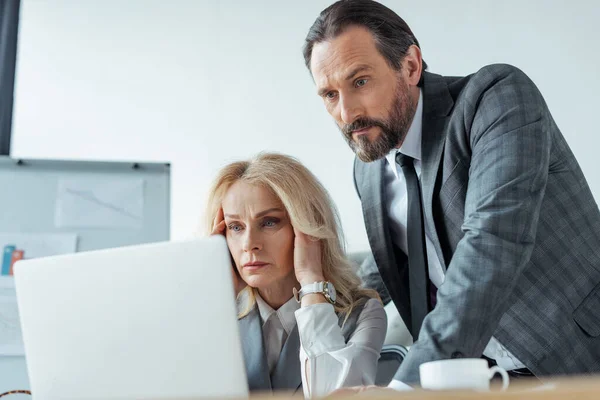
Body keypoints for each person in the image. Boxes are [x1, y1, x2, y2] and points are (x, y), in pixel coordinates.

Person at [302, 0, 600, 389]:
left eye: (360, 82)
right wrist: (305, 287)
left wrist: (405, 389)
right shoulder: (369, 169)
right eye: (329, 95)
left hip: (575, 357)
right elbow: (380, 280)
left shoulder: (495, 99)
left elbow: (492, 245)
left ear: (410, 65)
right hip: (475, 380)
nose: (346, 113)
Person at [205, 152, 386, 397]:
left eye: (269, 222)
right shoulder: (214, 316)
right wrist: (217, 302)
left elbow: (330, 395)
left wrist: (312, 281)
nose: (249, 243)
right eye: (235, 227)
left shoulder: (362, 314)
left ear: (306, 227)